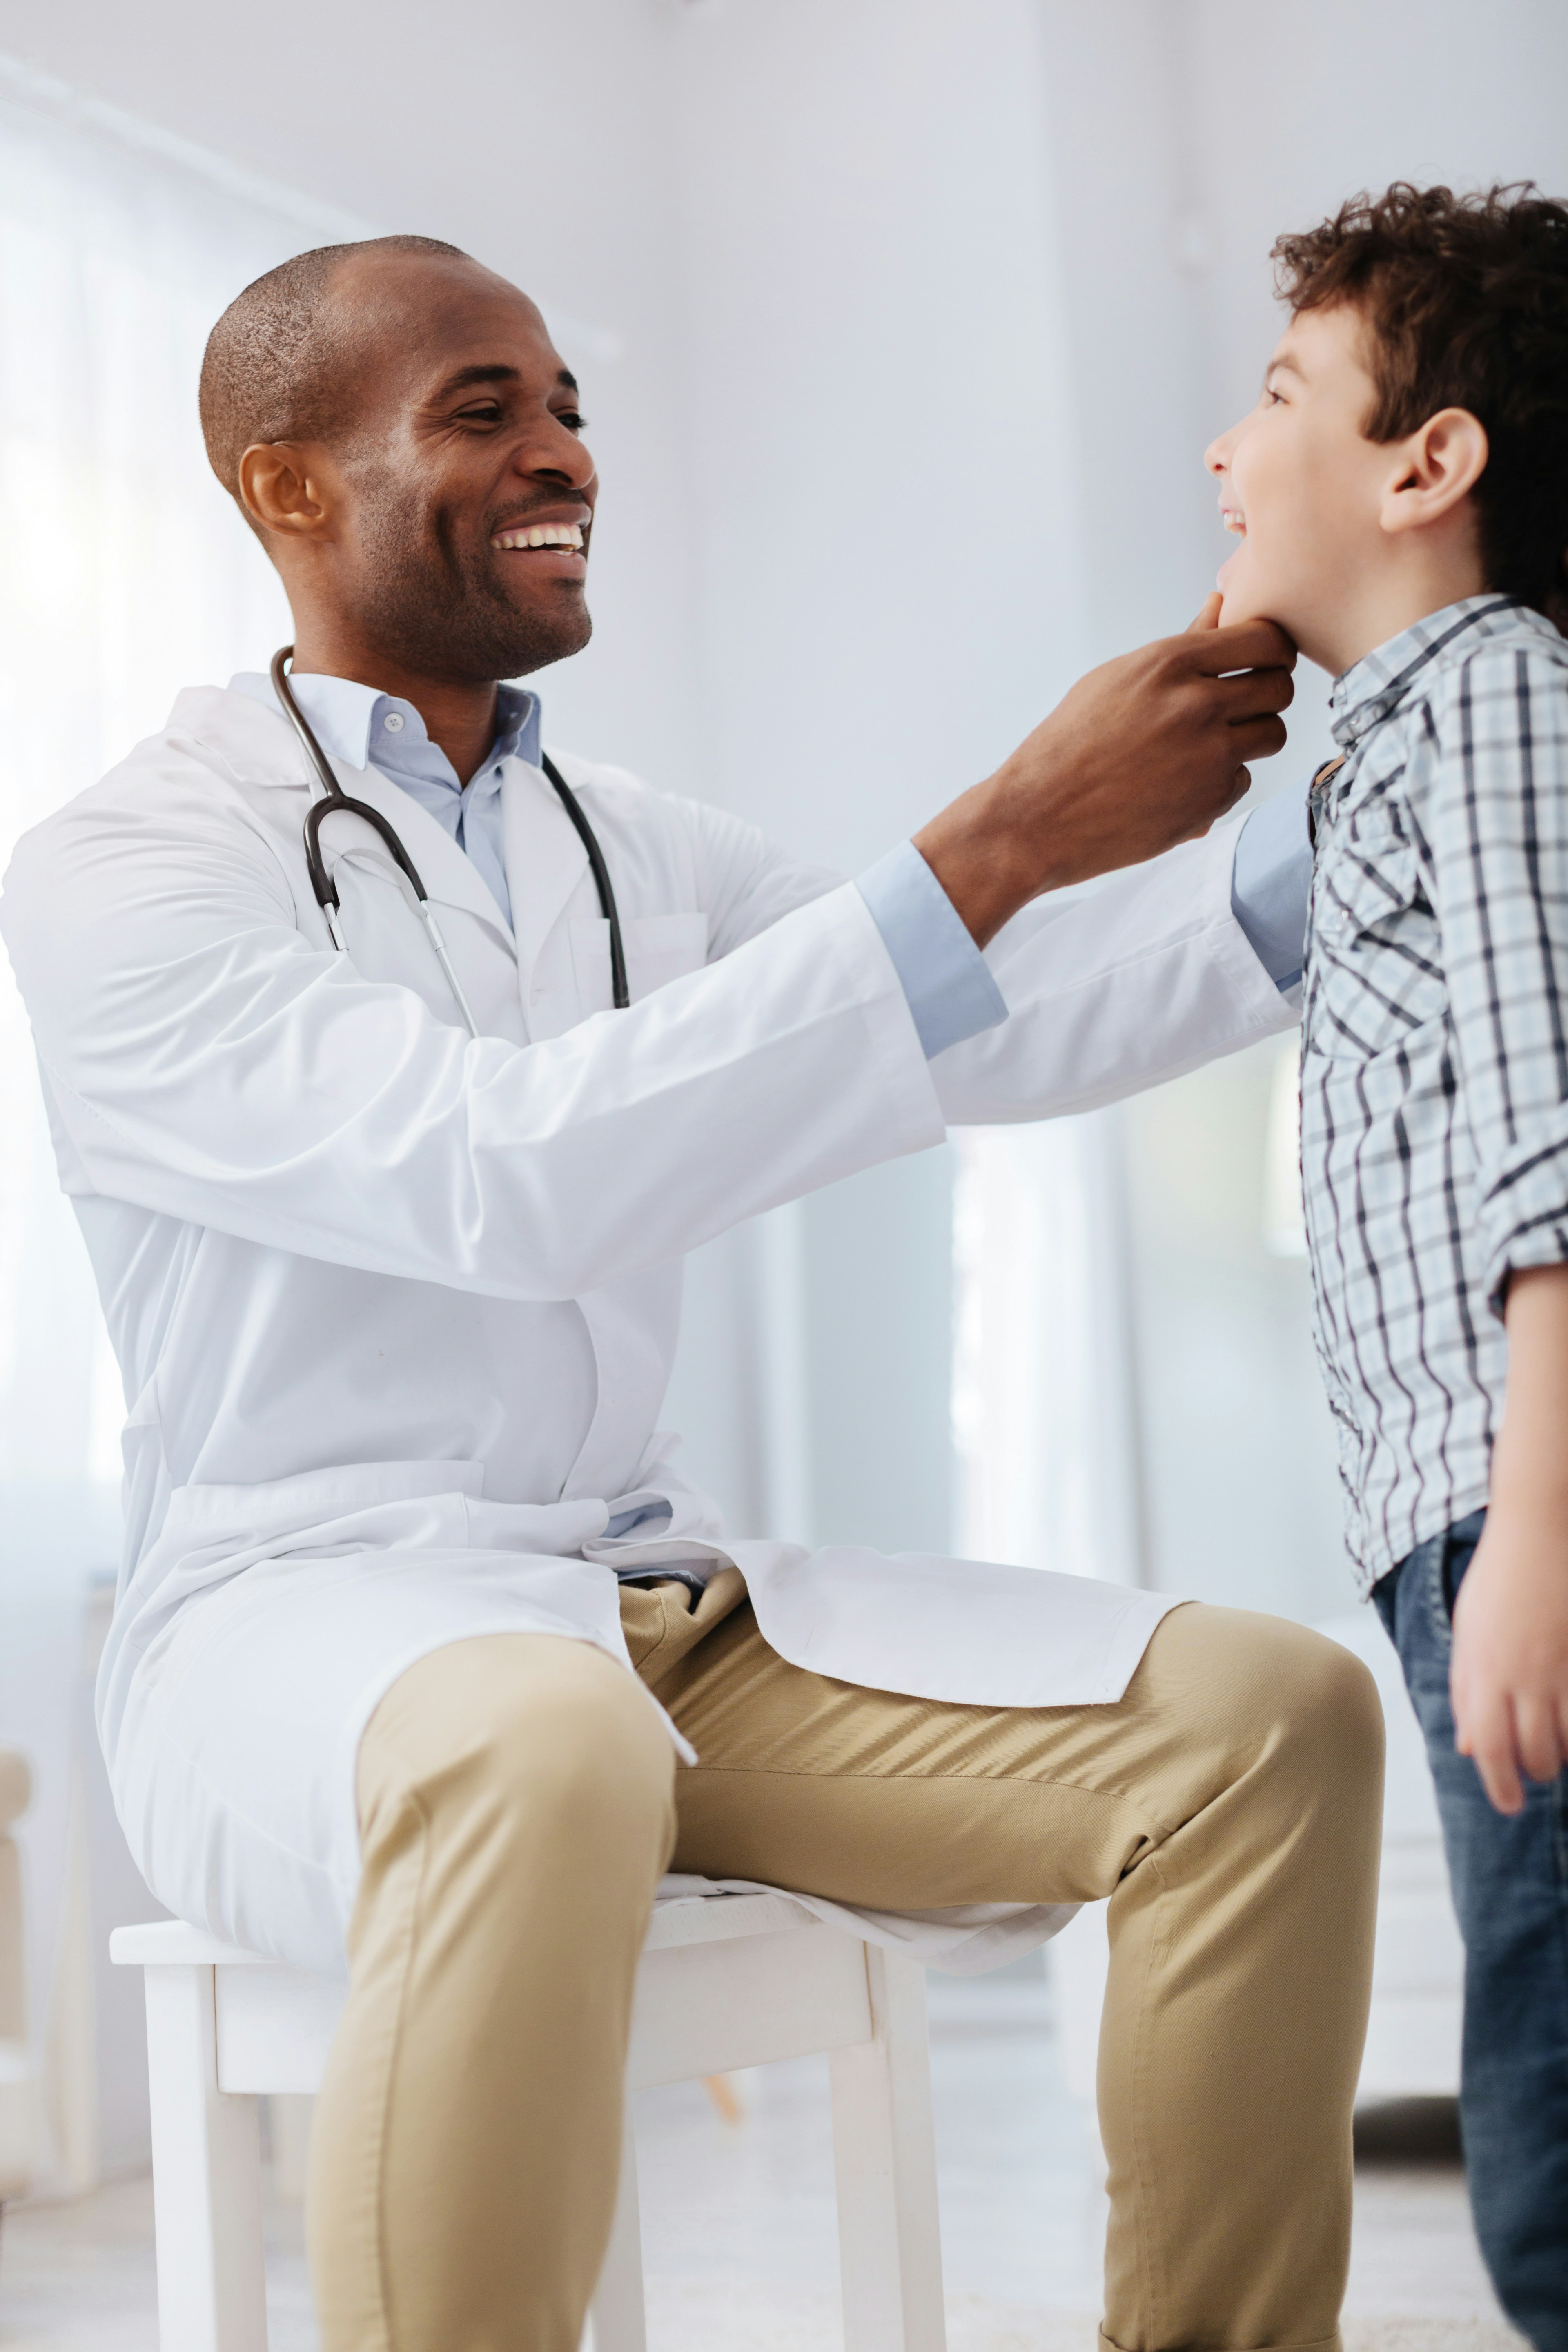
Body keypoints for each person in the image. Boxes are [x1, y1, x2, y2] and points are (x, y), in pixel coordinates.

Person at [1, 235, 1381, 2352]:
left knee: (1265, 1720)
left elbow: (985, 1020)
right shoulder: (132, 863)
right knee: (538, 1745)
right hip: (310, 1619)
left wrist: (1373, 818)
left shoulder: (618, 835)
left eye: (568, 405)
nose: (564, 452)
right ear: (285, 488)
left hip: (658, 1613)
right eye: (487, 410)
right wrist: (1002, 826)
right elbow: (505, 1174)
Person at [1207, 181, 1568, 2351]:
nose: (1228, 455)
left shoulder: (1497, 698)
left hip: (1515, 1503)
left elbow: (1561, 1134)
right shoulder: (1399, 745)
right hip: (1461, 1509)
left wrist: (1536, 1523)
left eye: (1275, 398)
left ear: (1431, 467)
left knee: (1550, 2131)